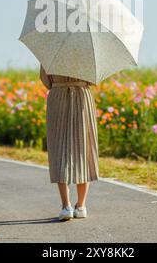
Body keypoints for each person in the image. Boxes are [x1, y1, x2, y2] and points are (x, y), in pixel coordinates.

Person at [40, 64, 99, 221]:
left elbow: (46, 80)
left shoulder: (51, 48)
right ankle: (81, 206)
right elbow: (94, 79)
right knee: (83, 149)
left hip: (57, 98)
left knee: (59, 149)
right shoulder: (88, 51)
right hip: (82, 97)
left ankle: (66, 206)